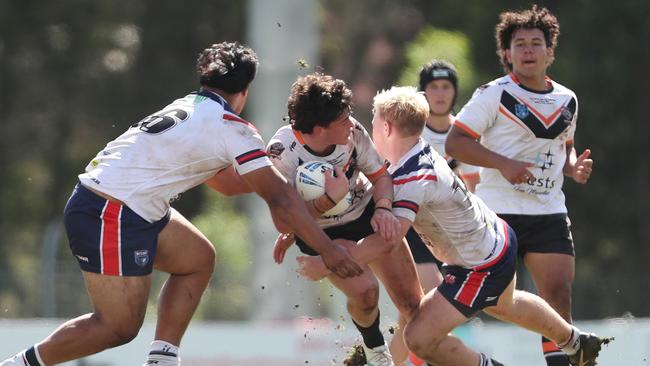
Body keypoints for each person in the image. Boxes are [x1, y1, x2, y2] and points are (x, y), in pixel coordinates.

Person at [1, 42, 363, 366]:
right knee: (117, 327)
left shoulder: (189, 107)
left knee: (196, 259)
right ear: (245, 92)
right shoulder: (231, 127)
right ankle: (21, 364)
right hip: (108, 211)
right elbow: (279, 197)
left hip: (127, 205)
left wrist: (278, 173)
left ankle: (162, 360)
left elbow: (227, 184)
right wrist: (327, 249)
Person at [298, 86, 610, 366]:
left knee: (419, 337)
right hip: (496, 238)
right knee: (505, 305)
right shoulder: (415, 152)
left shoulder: (412, 178)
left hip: (479, 265)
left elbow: (387, 243)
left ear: (388, 128)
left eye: (375, 123)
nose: (367, 131)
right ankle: (575, 342)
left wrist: (326, 261)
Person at [212, 73, 423, 366]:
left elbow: (380, 176)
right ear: (320, 129)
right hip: (321, 234)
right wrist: (327, 201)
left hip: (365, 213)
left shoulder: (352, 132)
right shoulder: (281, 153)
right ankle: (375, 354)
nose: (351, 124)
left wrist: (385, 208)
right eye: (342, 120)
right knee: (366, 292)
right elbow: (285, 223)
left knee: (414, 305)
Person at [445, 6, 593, 366]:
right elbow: (455, 142)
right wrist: (503, 163)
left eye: (536, 44)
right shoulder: (493, 94)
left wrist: (573, 169)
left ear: (550, 52)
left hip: (548, 211)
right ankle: (442, 351)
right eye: (520, 44)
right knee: (492, 300)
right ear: (507, 54)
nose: (528, 51)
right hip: (498, 212)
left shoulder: (567, 99)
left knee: (558, 296)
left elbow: (564, 145)